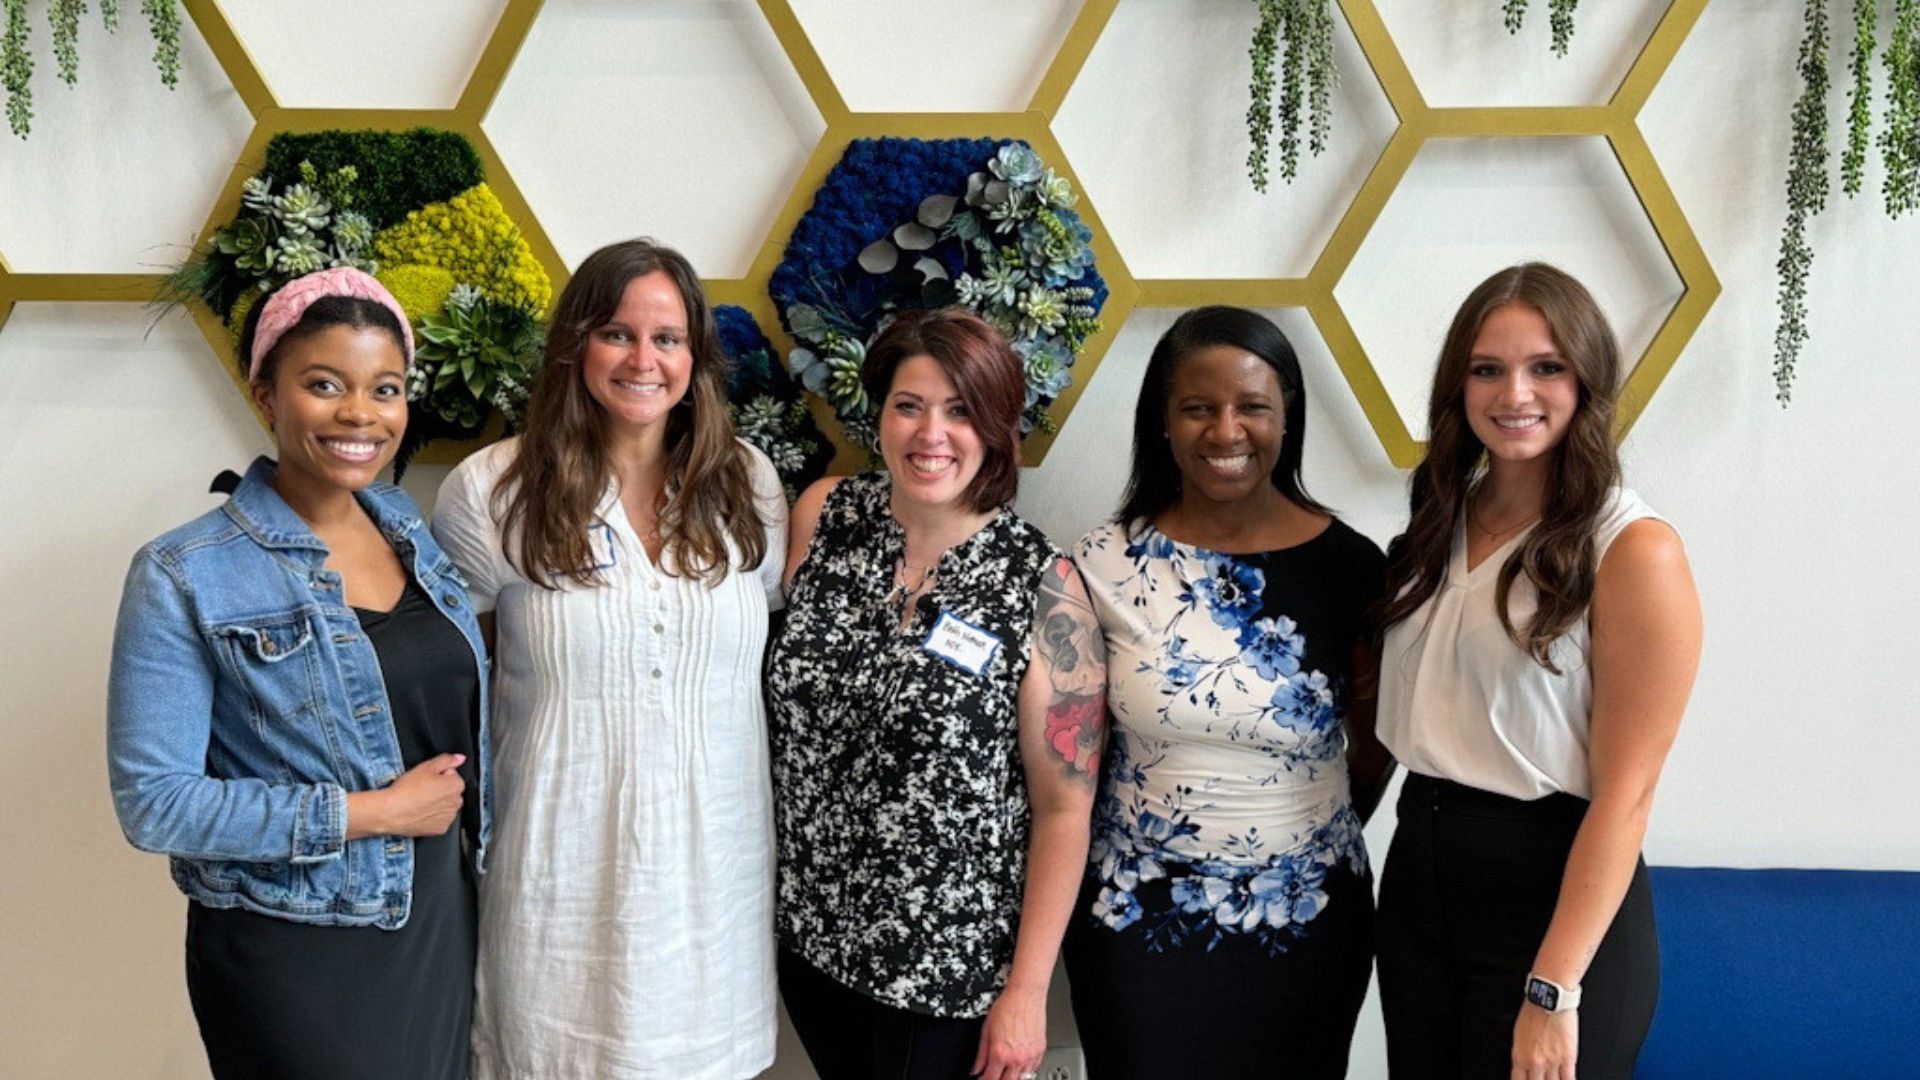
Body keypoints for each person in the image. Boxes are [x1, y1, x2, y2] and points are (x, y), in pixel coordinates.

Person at [107, 267, 490, 1080]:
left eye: (385, 389)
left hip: (434, 922)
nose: (360, 413)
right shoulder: (184, 572)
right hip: (295, 950)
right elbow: (155, 804)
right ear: (264, 394)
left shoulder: (409, 530)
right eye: (324, 384)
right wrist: (373, 813)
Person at [431, 238, 788, 1080]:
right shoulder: (492, 490)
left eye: (667, 339)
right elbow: (458, 687)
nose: (643, 360)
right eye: (617, 334)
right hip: (558, 883)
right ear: (576, 344)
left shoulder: (748, 484)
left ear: (695, 357)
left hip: (716, 886)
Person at [1373, 263, 1702, 1080]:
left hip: (1555, 903)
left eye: (1546, 367)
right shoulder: (1439, 519)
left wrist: (1554, 989)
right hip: (1419, 880)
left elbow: (1628, 797)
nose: (1514, 393)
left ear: (1586, 378)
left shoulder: (1632, 548)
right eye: (1488, 369)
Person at [765, 307, 1106, 1080]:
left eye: (960, 411)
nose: (931, 434)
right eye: (909, 406)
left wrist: (1027, 993)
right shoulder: (824, 516)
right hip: (811, 942)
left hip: (943, 969)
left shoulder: (1043, 586)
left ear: (998, 426)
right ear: (879, 413)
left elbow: (1064, 809)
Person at [1060, 306, 1390, 1078]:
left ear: (1288, 416)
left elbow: (1377, 744)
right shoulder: (1100, 563)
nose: (1226, 431)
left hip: (1305, 917)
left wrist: (1290, 833)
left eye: (1252, 407)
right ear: (1163, 421)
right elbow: (1069, 760)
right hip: (1136, 918)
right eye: (1198, 408)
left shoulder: (1352, 568)